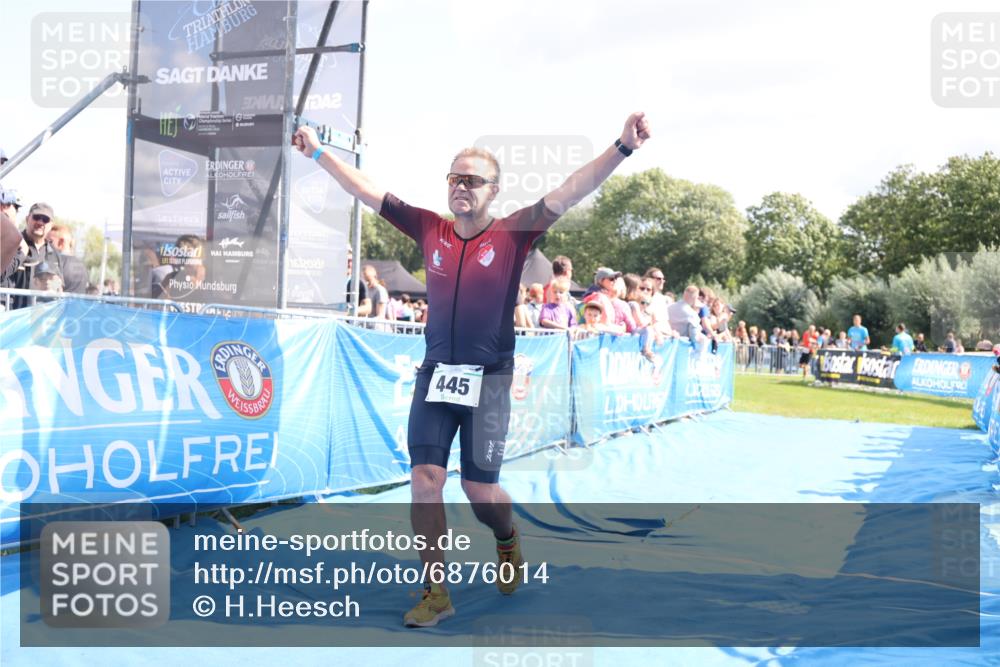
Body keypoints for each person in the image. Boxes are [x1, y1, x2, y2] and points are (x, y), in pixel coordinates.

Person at [294, 110, 651, 628]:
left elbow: (571, 190)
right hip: (436, 374)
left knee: (479, 492)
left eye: (472, 180)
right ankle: (435, 591)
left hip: (490, 381)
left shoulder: (514, 233)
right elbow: (369, 191)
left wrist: (622, 147)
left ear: (494, 190)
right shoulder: (429, 228)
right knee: (425, 479)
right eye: (454, 178)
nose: (461, 187)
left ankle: (507, 538)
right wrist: (321, 153)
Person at [46, 223, 88, 294]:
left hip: (60, 304)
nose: (46, 244)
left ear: (61, 242)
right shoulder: (82, 265)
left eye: (50, 241)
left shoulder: (56, 262)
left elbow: (53, 291)